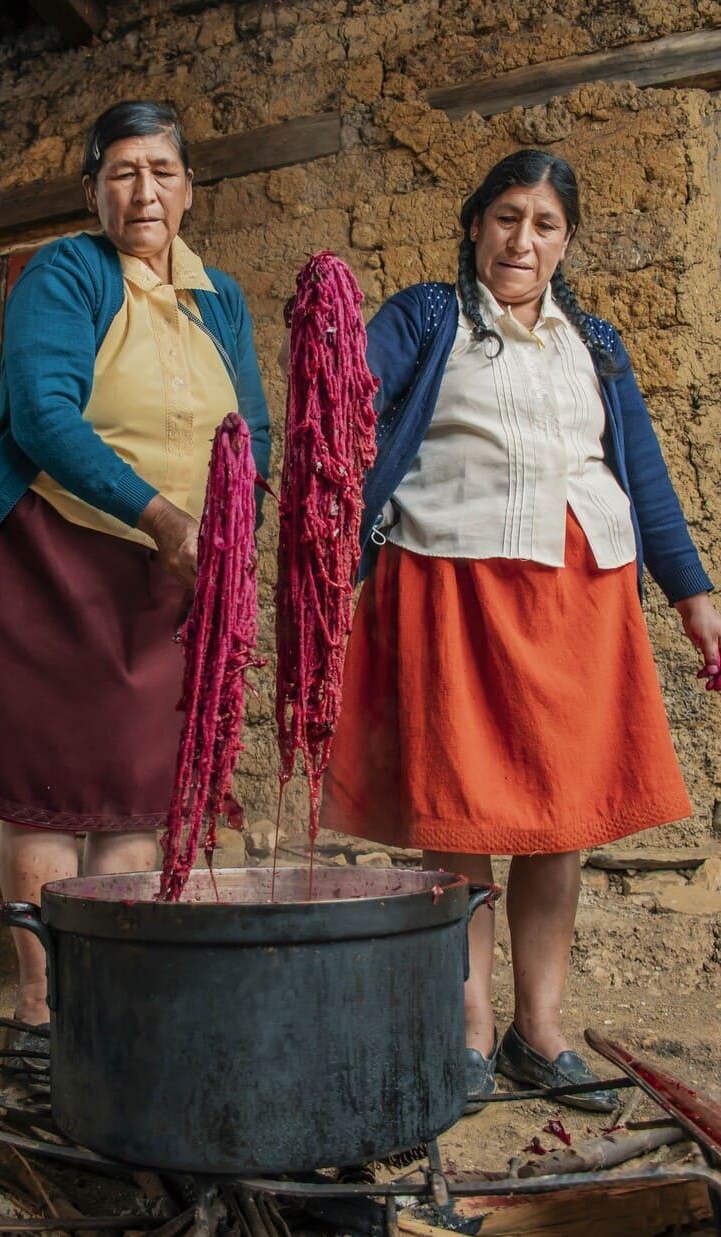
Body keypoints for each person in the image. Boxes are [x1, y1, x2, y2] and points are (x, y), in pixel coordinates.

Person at [320, 148, 719, 1112]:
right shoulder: (425, 318)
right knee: (457, 822)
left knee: (559, 822)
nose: (521, 240)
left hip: (582, 595)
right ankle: (463, 1032)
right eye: (506, 217)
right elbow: (345, 409)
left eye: (543, 225)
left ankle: (537, 1035)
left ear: (565, 242)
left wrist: (694, 595)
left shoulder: (595, 341)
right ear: (475, 224)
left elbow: (645, 475)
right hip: (453, 588)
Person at [0, 100, 270, 1048]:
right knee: (52, 786)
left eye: (163, 171)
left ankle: (110, 999)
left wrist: (235, 528)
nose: (145, 190)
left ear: (189, 188)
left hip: (161, 572)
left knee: (131, 788)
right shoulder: (63, 273)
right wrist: (166, 517)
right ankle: (43, 1006)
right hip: (47, 550)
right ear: (93, 190)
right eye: (124, 171)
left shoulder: (218, 297)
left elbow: (251, 428)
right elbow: (45, 418)